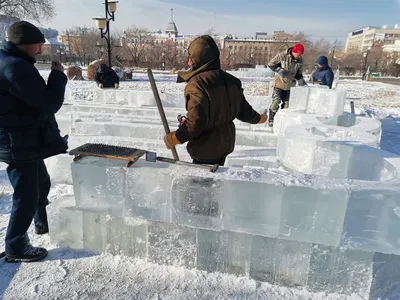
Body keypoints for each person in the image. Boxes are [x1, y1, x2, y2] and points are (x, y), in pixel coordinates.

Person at [0, 21, 68, 262]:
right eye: (37, 46)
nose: (40, 51)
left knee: (41, 182)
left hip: (21, 138)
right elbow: (49, 103)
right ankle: (15, 245)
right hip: (19, 142)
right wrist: (58, 77)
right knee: (26, 194)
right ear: (22, 45)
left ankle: (42, 221)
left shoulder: (8, 61)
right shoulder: (16, 68)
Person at [163, 35, 267, 166]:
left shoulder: (197, 84)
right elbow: (245, 112)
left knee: (201, 185)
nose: (189, 62)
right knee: (215, 182)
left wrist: (174, 138)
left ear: (197, 59)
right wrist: (260, 118)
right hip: (225, 144)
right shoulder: (232, 81)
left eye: (191, 58)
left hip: (205, 149)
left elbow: (196, 123)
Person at [267, 44, 306, 126]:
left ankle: (282, 121)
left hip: (290, 86)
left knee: (287, 106)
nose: (299, 57)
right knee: (276, 102)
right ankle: (271, 119)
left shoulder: (300, 60)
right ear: (294, 52)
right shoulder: (282, 56)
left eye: (300, 55)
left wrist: (300, 79)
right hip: (279, 84)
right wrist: (279, 70)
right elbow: (270, 64)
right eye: (298, 54)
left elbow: (298, 73)